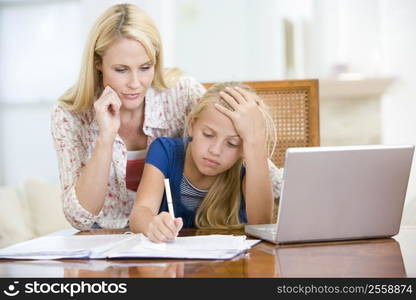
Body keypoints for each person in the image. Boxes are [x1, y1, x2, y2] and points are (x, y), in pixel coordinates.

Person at [51, 3, 282, 231]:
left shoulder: (181, 93)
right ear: (98, 63)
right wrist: (105, 137)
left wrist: (254, 134)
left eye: (145, 67)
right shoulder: (70, 116)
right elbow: (79, 219)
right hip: (104, 240)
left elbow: (270, 180)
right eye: (121, 70)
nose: (135, 83)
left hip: (166, 239)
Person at [129, 82, 277, 243]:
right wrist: (151, 224)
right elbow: (141, 212)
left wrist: (255, 142)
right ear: (192, 125)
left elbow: (262, 224)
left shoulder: (248, 167)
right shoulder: (166, 152)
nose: (215, 150)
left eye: (232, 143)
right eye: (208, 134)